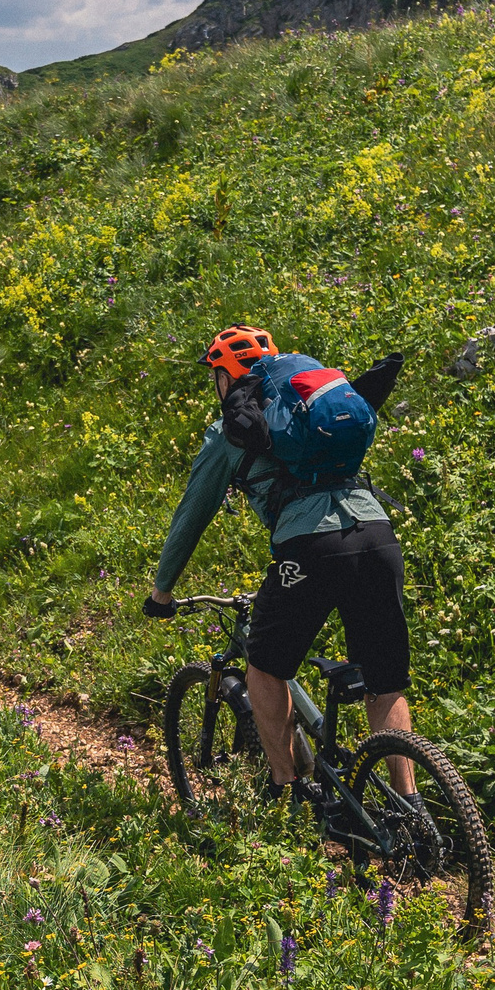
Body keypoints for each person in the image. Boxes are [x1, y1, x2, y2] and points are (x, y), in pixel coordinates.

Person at [143, 326, 416, 803]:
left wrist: (161, 591)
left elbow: (192, 515)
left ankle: (288, 790)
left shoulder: (230, 430)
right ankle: (410, 808)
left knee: (265, 668)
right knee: (384, 682)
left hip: (313, 549)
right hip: (377, 536)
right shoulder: (308, 405)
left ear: (226, 379)